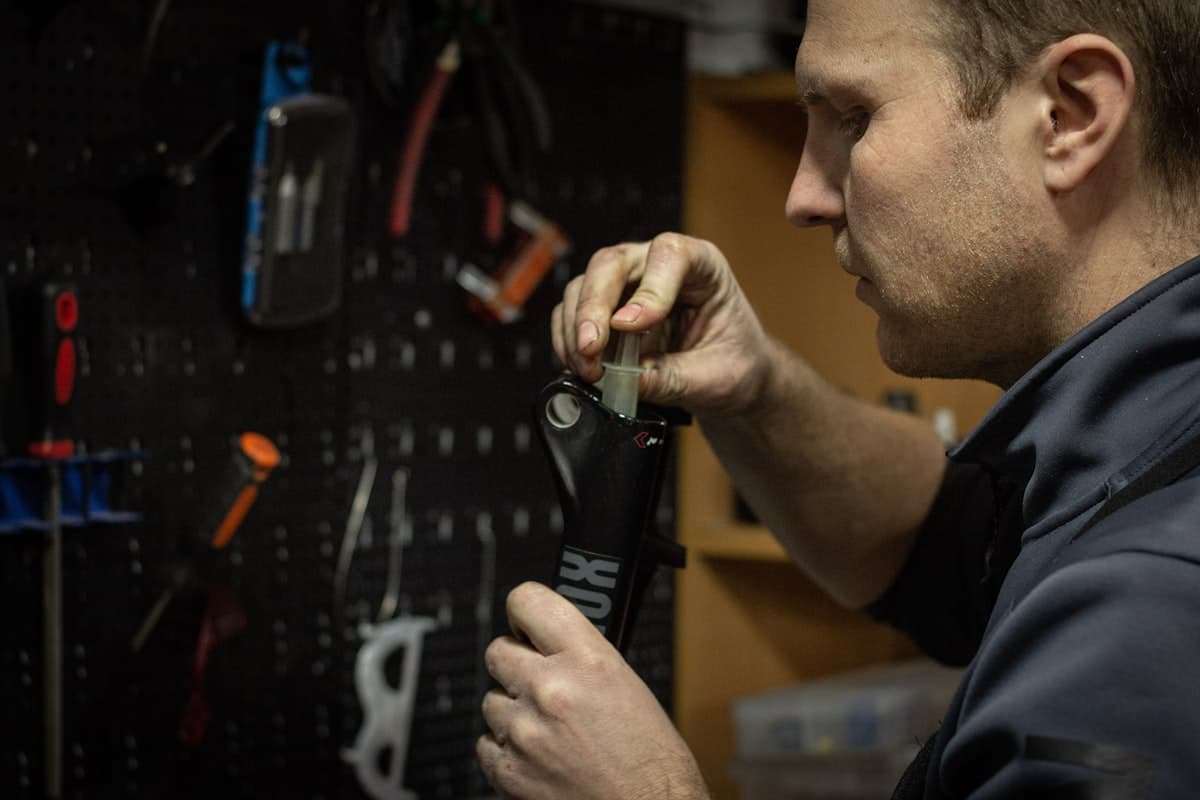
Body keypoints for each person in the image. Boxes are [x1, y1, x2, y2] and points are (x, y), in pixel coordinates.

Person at [476, 0, 1200, 796]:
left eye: (853, 119)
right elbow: (942, 549)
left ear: (1070, 113)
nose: (804, 198)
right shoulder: (1148, 438)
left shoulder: (1149, 614)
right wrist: (752, 389)